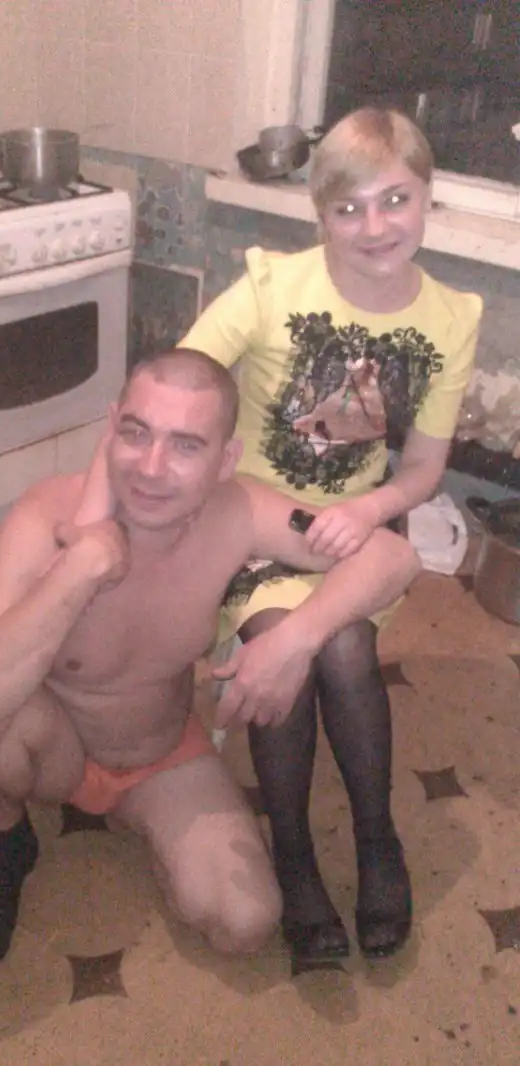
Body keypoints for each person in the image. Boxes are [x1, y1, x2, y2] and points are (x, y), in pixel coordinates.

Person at [0, 348, 420, 965]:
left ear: (225, 460)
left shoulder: (241, 511)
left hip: (156, 755)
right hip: (51, 746)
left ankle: (150, 827)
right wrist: (83, 565)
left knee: (246, 922)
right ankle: (7, 840)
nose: (152, 468)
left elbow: (393, 557)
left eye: (186, 446)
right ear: (111, 428)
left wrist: (295, 639)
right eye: (137, 434)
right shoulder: (46, 513)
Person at [181, 107, 484, 966]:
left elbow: (422, 468)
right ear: (320, 214)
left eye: (396, 200)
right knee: (286, 634)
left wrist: (372, 509)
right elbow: (182, 384)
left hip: (349, 532)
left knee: (347, 650)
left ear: (427, 199)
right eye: (348, 208)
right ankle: (293, 852)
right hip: (251, 526)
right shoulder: (272, 287)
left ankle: (376, 835)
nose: (375, 226)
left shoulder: (451, 318)